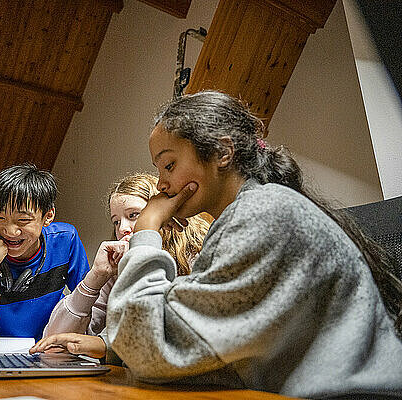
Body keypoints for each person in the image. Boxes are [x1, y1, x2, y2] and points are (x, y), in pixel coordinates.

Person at [102, 91, 402, 398]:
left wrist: (147, 231)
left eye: (169, 166)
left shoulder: (263, 214)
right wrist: (110, 345)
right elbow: (209, 347)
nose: (162, 184)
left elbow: (149, 350)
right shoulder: (244, 216)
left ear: (222, 152)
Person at [40, 173, 211, 337]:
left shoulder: (198, 257)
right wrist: (95, 277)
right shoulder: (118, 269)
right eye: (116, 221)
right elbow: (55, 339)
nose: (122, 228)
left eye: (133, 215)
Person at [0, 164, 90, 352]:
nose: (11, 231)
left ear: (48, 215)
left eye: (23, 220)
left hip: (46, 351)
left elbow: (88, 304)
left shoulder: (65, 240)